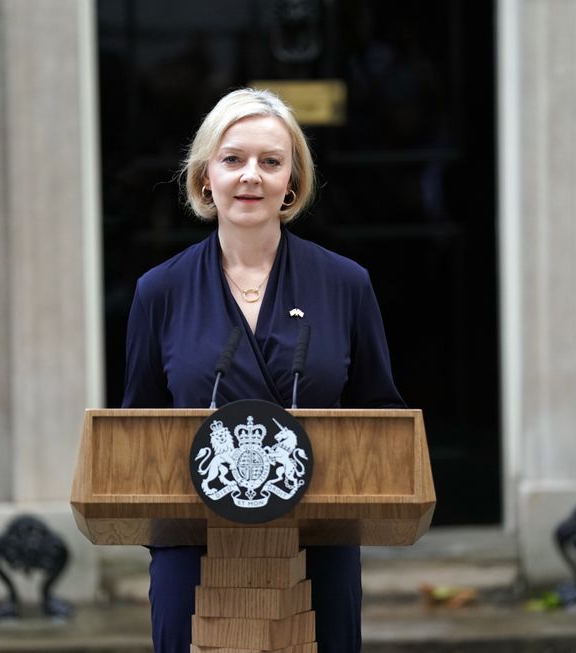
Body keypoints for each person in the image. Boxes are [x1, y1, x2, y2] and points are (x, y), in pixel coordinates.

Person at [122, 87, 403, 653]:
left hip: (317, 545)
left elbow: (384, 423)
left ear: (292, 182)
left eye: (270, 162)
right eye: (233, 160)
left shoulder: (346, 285)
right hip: (193, 547)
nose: (250, 175)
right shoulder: (160, 292)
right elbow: (138, 436)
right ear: (206, 177)